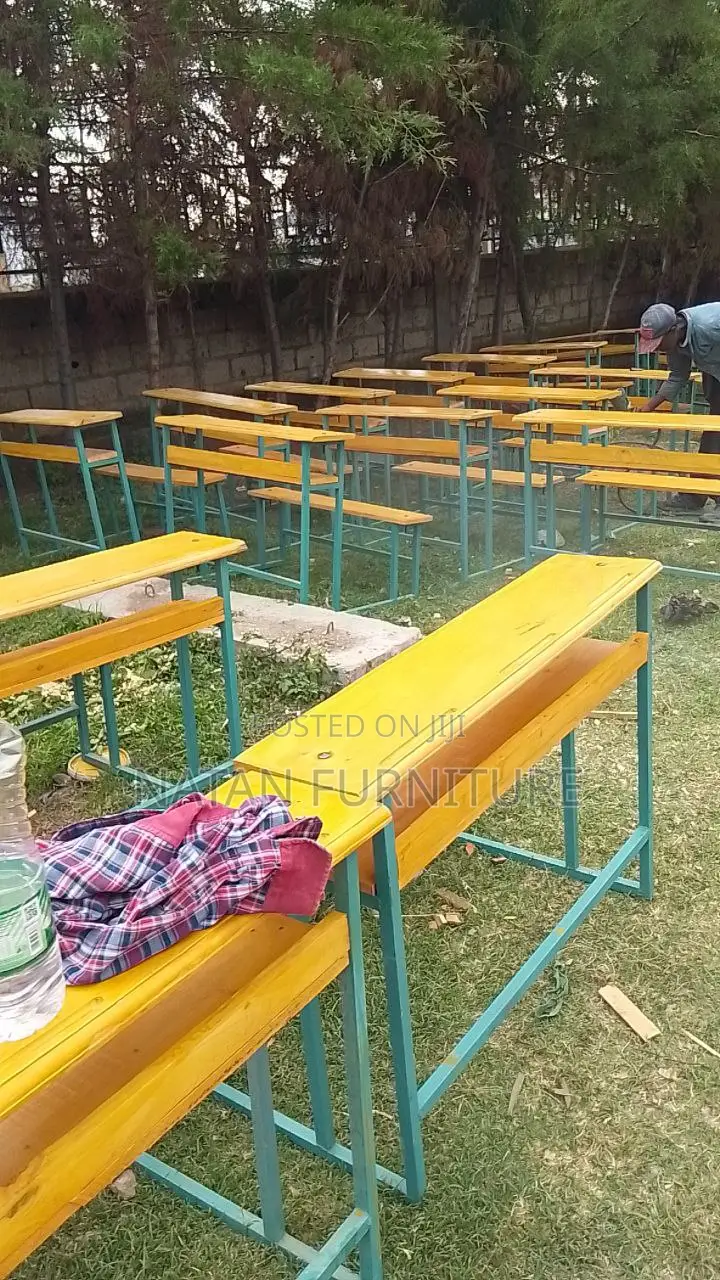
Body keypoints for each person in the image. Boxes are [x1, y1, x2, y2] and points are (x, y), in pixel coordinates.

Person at [638, 301, 720, 522]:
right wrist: (648, 407)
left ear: (674, 330)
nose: (658, 349)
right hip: (716, 374)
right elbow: (677, 376)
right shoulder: (676, 342)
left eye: (659, 343)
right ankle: (695, 496)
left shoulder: (711, 326)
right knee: (713, 435)